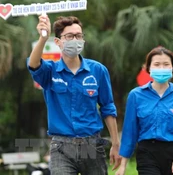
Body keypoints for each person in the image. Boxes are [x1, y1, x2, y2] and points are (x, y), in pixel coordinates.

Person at [27, 15, 121, 175]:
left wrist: (116, 143)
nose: (75, 40)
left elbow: (108, 107)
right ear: (57, 42)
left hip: (92, 144)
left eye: (78, 36)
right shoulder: (50, 71)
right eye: (69, 36)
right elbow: (33, 64)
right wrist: (43, 37)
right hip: (61, 147)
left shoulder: (97, 70)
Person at [116, 46, 173, 175]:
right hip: (147, 153)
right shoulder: (136, 95)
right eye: (156, 64)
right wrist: (123, 165)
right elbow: (130, 132)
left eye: (166, 64)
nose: (161, 68)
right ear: (148, 68)